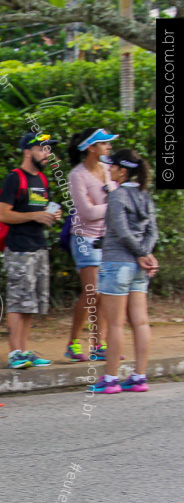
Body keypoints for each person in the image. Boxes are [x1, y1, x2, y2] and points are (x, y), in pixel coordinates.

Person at [89, 150, 158, 394]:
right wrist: (145, 254)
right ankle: (139, 377)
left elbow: (120, 230)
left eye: (113, 166)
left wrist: (139, 252)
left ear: (123, 171)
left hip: (117, 263)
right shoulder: (144, 195)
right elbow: (153, 231)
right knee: (140, 322)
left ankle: (110, 379)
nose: (110, 170)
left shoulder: (118, 196)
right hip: (139, 268)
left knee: (115, 324)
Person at [0, 133, 61, 370]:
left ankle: (24, 350)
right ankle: (14, 353)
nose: (47, 154)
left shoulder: (42, 179)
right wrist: (34, 215)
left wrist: (50, 215)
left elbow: (40, 210)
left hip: (39, 247)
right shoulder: (15, 178)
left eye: (48, 150)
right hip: (19, 250)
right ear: (27, 151)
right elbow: (2, 214)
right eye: (42, 149)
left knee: (31, 303)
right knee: (17, 301)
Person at [66, 128, 118, 362]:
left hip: (107, 239)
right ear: (90, 147)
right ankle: (73, 343)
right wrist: (112, 206)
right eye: (104, 143)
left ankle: (99, 344)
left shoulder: (109, 169)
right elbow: (86, 213)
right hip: (85, 239)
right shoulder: (77, 175)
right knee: (91, 292)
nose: (108, 147)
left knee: (102, 293)